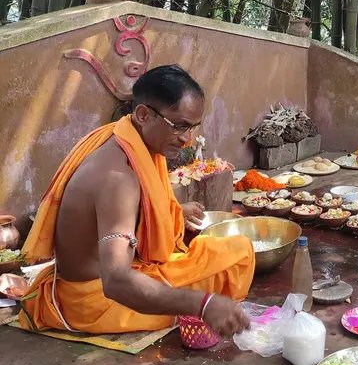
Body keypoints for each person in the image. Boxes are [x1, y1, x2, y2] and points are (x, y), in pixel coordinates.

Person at [19, 65, 255, 336]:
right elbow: (116, 281)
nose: (187, 139)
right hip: (99, 301)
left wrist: (175, 212)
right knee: (236, 261)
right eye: (179, 126)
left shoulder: (124, 138)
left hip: (120, 273)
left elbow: (134, 214)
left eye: (192, 128)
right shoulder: (118, 178)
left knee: (235, 248)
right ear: (143, 114)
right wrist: (203, 305)